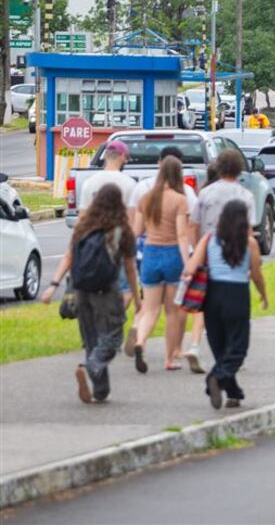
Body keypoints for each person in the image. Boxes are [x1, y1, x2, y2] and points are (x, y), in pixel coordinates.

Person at [39, 185, 140, 403]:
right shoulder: (121, 229)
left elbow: (68, 257)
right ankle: (89, 367)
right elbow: (130, 268)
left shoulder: (82, 226)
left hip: (81, 289)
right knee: (113, 338)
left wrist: (53, 285)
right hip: (107, 289)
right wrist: (137, 297)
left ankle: (101, 391)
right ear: (119, 204)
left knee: (91, 339)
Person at [183, 200, 268, 409]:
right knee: (238, 347)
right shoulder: (250, 243)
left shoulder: (209, 238)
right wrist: (263, 295)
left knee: (220, 346)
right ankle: (217, 377)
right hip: (237, 294)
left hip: (211, 295)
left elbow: (192, 267)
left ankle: (233, 392)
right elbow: (256, 274)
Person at [126, 146, 198, 358]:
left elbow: (137, 231)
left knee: (150, 309)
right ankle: (170, 358)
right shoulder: (180, 199)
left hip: (150, 253)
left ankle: (140, 341)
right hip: (173, 254)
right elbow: (182, 235)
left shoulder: (146, 198)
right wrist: (188, 263)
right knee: (172, 311)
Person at [189, 150, 258, 367]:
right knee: (236, 309)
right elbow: (248, 232)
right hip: (235, 254)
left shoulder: (206, 194)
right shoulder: (245, 196)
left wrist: (197, 249)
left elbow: (194, 225)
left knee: (206, 301)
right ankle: (231, 353)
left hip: (208, 251)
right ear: (239, 169)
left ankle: (195, 344)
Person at [76, 141, 138, 347]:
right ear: (122, 157)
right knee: (125, 287)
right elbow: (130, 219)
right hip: (118, 242)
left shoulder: (89, 183)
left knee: (93, 288)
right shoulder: (129, 183)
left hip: (91, 243)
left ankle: (96, 328)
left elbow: (82, 218)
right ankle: (112, 323)